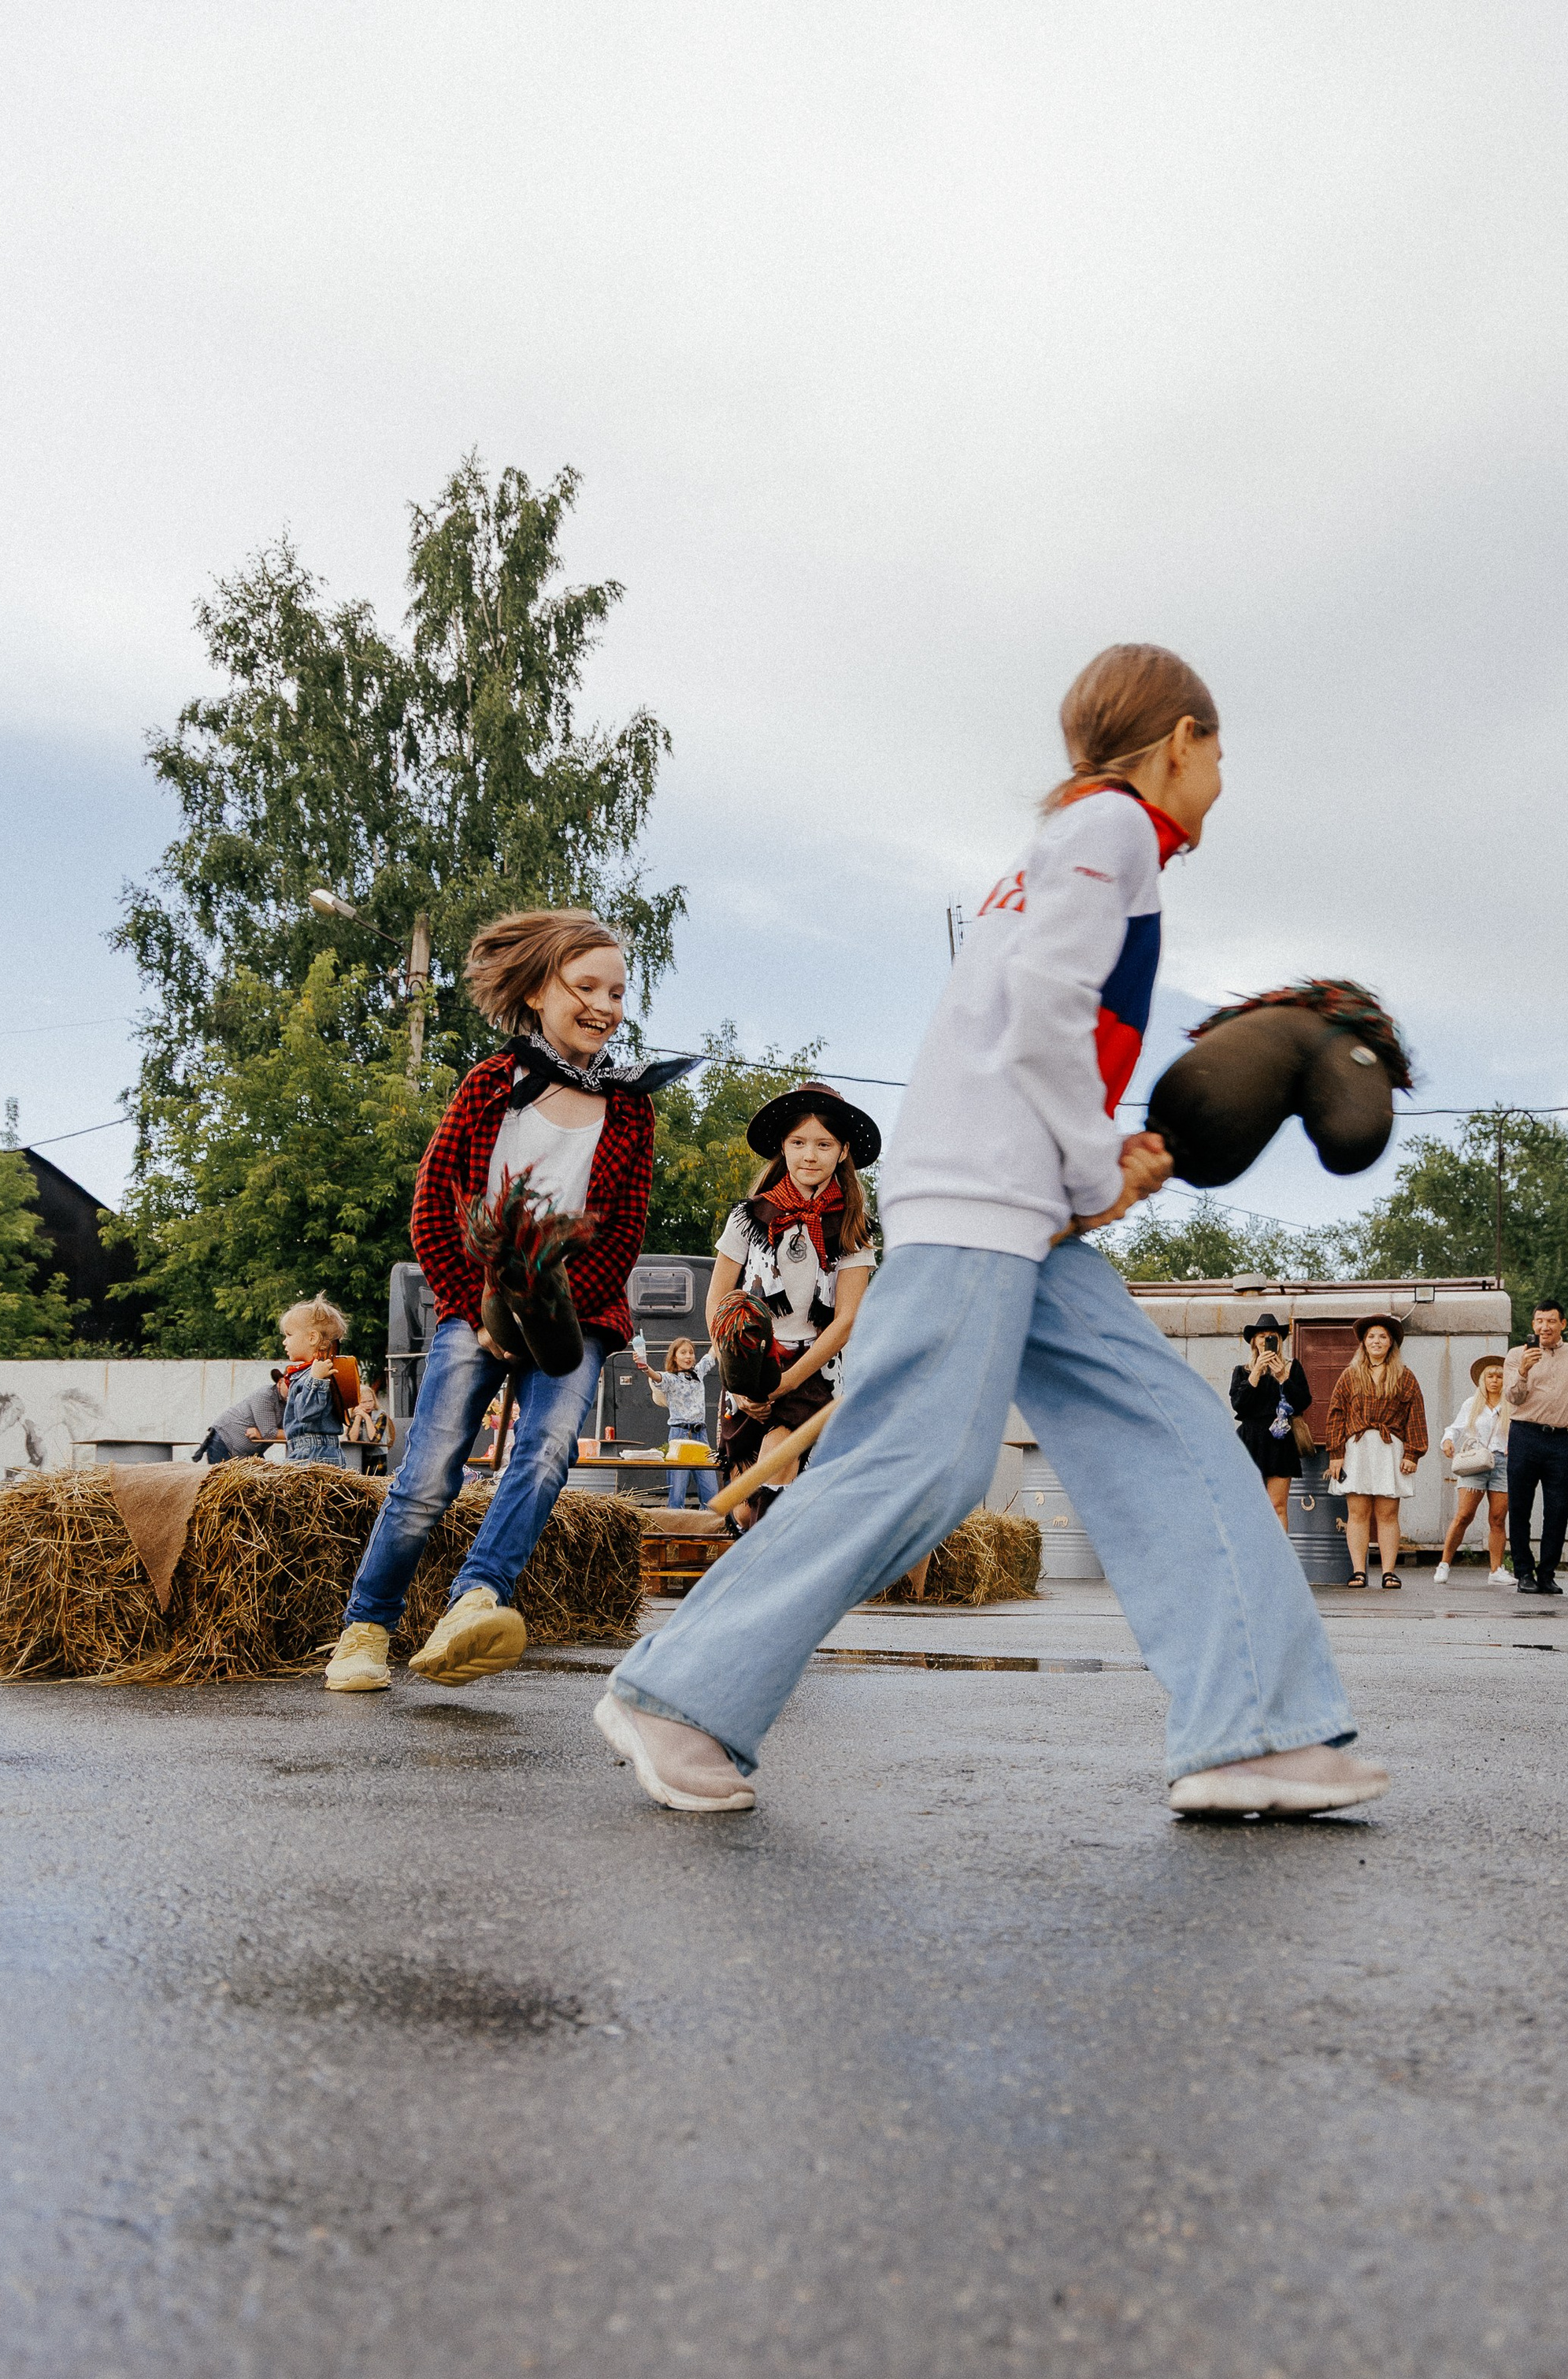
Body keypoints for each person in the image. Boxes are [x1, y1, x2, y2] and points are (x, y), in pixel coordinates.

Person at [591, 640, 1386, 1821]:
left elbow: (1037, 1014)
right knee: (922, 1464)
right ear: (1179, 740)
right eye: (1219, 752)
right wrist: (1084, 1164)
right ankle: (683, 1696)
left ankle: (1253, 1732)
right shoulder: (1109, 827)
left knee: (1171, 1433)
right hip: (984, 1204)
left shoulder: (1081, 838)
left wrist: (1079, 1177)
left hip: (1017, 1216)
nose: (1222, 778)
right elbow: (1038, 1009)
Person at [325, 908, 697, 1692]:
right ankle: (365, 1629)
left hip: (576, 1313)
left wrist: (553, 1314)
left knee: (548, 1451)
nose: (604, 1004)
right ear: (536, 990)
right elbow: (435, 1205)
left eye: (618, 991)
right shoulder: (492, 1085)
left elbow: (623, 1230)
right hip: (477, 1304)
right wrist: (476, 1306)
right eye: (585, 986)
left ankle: (475, 1600)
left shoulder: (632, 1107)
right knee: (428, 1473)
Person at [709, 1083, 880, 1528]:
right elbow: (718, 1305)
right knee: (744, 1511)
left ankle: (771, 1581)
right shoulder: (747, 1217)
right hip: (750, 1364)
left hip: (813, 1370)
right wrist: (743, 1382)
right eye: (799, 1142)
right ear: (782, 1148)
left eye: (824, 1144)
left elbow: (846, 1321)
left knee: (779, 1456)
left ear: (843, 1152)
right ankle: (770, 1546)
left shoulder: (852, 1229)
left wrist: (784, 1384)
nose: (810, 1155)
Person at [1502, 1301, 1568, 1594]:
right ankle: (1523, 1571)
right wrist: (1523, 1370)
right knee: (1520, 1507)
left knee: (1559, 1509)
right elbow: (1513, 1398)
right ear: (1533, 1324)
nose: (1544, 1327)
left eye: (1551, 1321)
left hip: (1559, 1438)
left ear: (1563, 1324)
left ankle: (1547, 1572)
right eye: (1539, 1321)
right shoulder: (1515, 1355)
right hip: (1523, 1433)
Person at [1325, 1317, 1427, 1588]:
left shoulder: (1405, 1376)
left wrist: (1412, 1454)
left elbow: (1415, 1416)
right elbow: (1336, 1414)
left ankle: (1388, 1572)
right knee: (1357, 1513)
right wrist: (1336, 1453)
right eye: (1371, 1337)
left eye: (1382, 1336)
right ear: (1364, 1342)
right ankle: (1359, 1571)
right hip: (1357, 1448)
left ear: (1391, 1342)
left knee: (1387, 1513)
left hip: (1389, 1449)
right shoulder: (1350, 1375)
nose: (1376, 1342)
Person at [1227, 1313, 1311, 1528]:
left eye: (1271, 1336)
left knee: (1277, 1506)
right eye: (1261, 1336)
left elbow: (1302, 1403)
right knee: (1249, 1504)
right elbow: (1239, 1405)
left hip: (1280, 1441)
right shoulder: (1242, 1371)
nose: (1266, 1340)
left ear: (1279, 1341)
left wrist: (1282, 1376)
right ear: (1254, 1341)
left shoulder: (1292, 1367)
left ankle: (1279, 1560)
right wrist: (1255, 1373)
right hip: (1250, 1440)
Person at [1433, 1352, 1511, 1583]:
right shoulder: (1472, 1403)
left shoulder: (1512, 1405)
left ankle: (1496, 1570)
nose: (1495, 1380)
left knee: (1498, 1518)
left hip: (1503, 1463)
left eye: (1499, 1376)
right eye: (1490, 1376)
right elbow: (1454, 1428)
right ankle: (1444, 1564)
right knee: (1464, 1515)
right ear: (1482, 1380)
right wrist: (1447, 1441)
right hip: (1475, 1462)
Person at [639, 1337, 720, 1509]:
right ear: (674, 1357)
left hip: (700, 1435)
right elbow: (657, 1377)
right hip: (680, 1434)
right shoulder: (670, 1378)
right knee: (677, 1491)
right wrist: (646, 1368)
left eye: (691, 1352)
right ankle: (676, 1527)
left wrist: (720, 1334)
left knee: (711, 1490)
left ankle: (709, 1526)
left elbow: (711, 1354)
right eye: (683, 1353)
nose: (688, 1356)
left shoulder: (698, 1373)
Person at [278, 1297, 355, 1465]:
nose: (285, 1341)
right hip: (312, 1451)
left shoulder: (316, 1374)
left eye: (289, 1335)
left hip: (313, 1454)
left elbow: (306, 1414)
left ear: (312, 1338)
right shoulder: (309, 1373)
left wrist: (316, 1379)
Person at [196, 1369, 284, 1465]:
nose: (295, 1389)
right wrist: (265, 1434)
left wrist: (262, 1435)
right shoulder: (266, 1395)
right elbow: (270, 1434)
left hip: (249, 1453)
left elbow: (289, 1431)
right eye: (290, 1384)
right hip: (225, 1444)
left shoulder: (291, 1400)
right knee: (225, 1480)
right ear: (280, 1382)